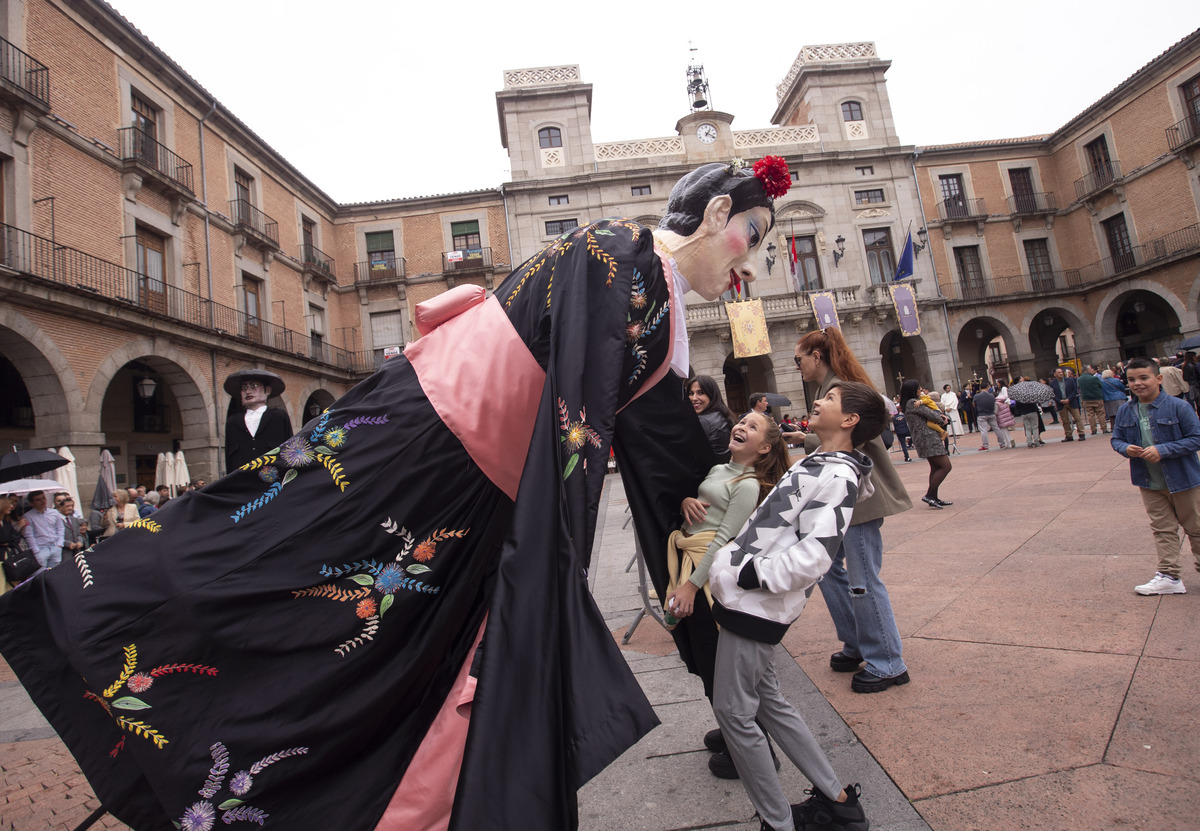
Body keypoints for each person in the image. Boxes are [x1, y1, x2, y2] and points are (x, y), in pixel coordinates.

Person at [0, 157, 788, 830]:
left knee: (378, 652)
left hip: (474, 499)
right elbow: (578, 418)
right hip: (419, 443)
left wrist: (717, 602)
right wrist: (552, 564)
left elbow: (668, 473)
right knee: (272, 551)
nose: (752, 261)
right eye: (753, 234)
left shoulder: (662, 326)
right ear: (717, 210)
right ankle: (94, 622)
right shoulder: (616, 250)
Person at [702, 380, 887, 831]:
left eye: (830, 398)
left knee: (733, 713)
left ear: (849, 420)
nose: (818, 400)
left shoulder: (839, 476)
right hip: (749, 598)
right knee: (770, 704)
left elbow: (816, 555)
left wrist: (751, 574)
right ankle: (840, 803)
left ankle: (778, 823)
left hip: (757, 605)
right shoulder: (819, 461)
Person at [662, 410, 791, 779]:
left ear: (764, 447)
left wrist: (689, 586)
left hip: (707, 579)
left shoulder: (748, 484)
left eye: (752, 427)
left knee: (714, 659)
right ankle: (731, 726)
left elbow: (723, 540)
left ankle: (754, 747)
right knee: (704, 659)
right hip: (691, 563)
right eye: (742, 421)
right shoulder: (721, 470)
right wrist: (689, 500)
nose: (741, 426)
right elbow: (708, 509)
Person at [796, 327, 912, 693]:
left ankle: (888, 661)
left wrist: (808, 438)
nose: (796, 365)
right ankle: (857, 642)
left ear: (817, 356)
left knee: (864, 579)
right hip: (839, 494)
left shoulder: (841, 386)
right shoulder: (825, 387)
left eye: (799, 358)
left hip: (860, 496)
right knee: (828, 569)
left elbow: (858, 433)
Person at [1111, 357, 1200, 596]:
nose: (1137, 383)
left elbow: (1196, 438)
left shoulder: (1178, 407)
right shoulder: (1125, 410)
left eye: (1143, 377)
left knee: (1196, 527)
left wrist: (1164, 450)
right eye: (1131, 379)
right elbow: (1116, 439)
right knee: (1162, 528)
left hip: (1184, 479)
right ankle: (1170, 576)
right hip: (1149, 482)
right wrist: (1125, 448)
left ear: (1158, 379)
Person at [224, 369, 294, 473]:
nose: (248, 391)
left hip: (273, 479)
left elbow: (290, 449)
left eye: (254, 386)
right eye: (244, 388)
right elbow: (229, 458)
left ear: (268, 390)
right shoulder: (232, 422)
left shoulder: (279, 416)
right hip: (242, 481)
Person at [902, 380, 953, 509]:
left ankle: (933, 497)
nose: (920, 389)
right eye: (918, 388)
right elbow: (932, 415)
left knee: (935, 467)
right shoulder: (913, 403)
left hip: (924, 437)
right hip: (927, 437)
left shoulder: (908, 403)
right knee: (945, 466)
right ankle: (930, 495)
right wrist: (942, 418)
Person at [689, 374, 735, 463]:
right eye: (691, 393)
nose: (694, 398)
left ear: (711, 395)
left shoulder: (703, 421)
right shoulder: (723, 415)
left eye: (700, 393)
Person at [20, 490, 64, 570]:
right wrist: (35, 550)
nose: (42, 501)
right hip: (40, 548)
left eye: (43, 498)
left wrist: (59, 544)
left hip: (55, 546)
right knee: (40, 573)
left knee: (55, 572)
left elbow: (60, 528)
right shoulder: (28, 516)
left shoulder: (54, 512)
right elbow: (29, 535)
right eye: (38, 500)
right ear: (32, 503)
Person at [1050, 368, 1084, 441]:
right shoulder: (1052, 383)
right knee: (1065, 421)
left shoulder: (1070, 380)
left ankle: (1081, 434)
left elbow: (1075, 391)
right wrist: (1059, 400)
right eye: (1058, 372)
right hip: (1061, 403)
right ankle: (1068, 435)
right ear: (1055, 374)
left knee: (1077, 418)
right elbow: (1052, 394)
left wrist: (1069, 399)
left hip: (1071, 401)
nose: (1061, 373)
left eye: (1061, 372)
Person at [973, 385, 1010, 450]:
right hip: (991, 413)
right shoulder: (991, 395)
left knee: (983, 430)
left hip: (981, 414)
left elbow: (974, 404)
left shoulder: (976, 396)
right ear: (987, 388)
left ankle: (985, 445)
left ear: (980, 388)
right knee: (997, 429)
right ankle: (1002, 444)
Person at [1078, 365, 1108, 435]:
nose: (1092, 370)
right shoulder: (1094, 378)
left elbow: (1079, 388)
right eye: (1090, 369)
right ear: (1087, 370)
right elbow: (1100, 385)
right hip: (1097, 397)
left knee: (1090, 415)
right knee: (1100, 414)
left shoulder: (1079, 379)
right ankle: (1104, 428)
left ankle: (1093, 430)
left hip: (1086, 398)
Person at [56, 494, 85, 562]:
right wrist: (67, 544)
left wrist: (80, 542)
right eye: (67, 506)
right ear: (60, 507)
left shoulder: (74, 519)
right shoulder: (56, 520)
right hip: (64, 553)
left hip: (76, 552)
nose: (70, 508)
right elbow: (55, 537)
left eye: (71, 506)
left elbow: (79, 534)